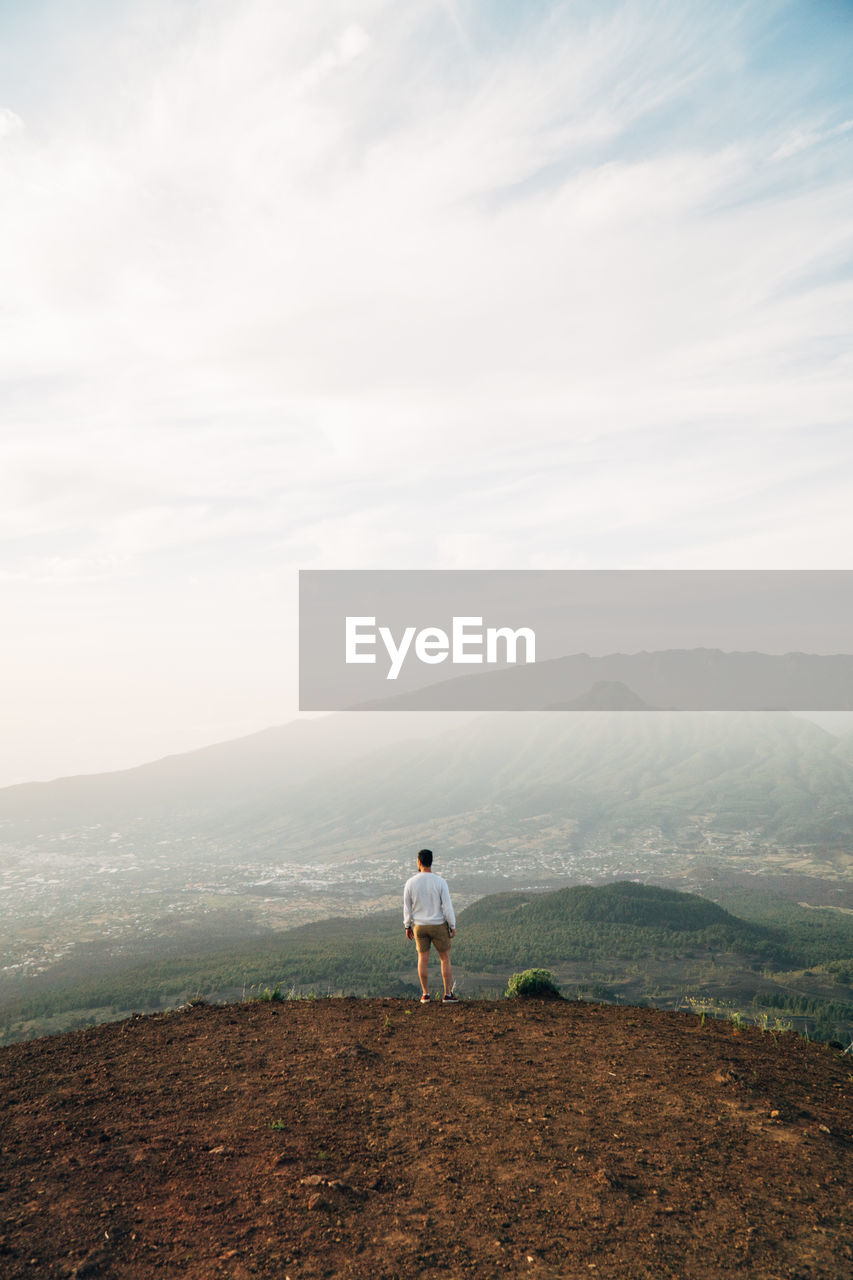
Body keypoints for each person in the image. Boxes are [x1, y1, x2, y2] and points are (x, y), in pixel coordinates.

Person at [403, 848, 458, 1003]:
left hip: (419, 926)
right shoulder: (440, 882)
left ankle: (425, 994)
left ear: (419, 862)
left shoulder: (410, 883)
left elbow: (407, 907)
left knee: (422, 958)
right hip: (438, 924)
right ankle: (447, 994)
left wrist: (407, 926)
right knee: (445, 958)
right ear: (431, 861)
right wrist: (452, 925)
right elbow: (447, 906)